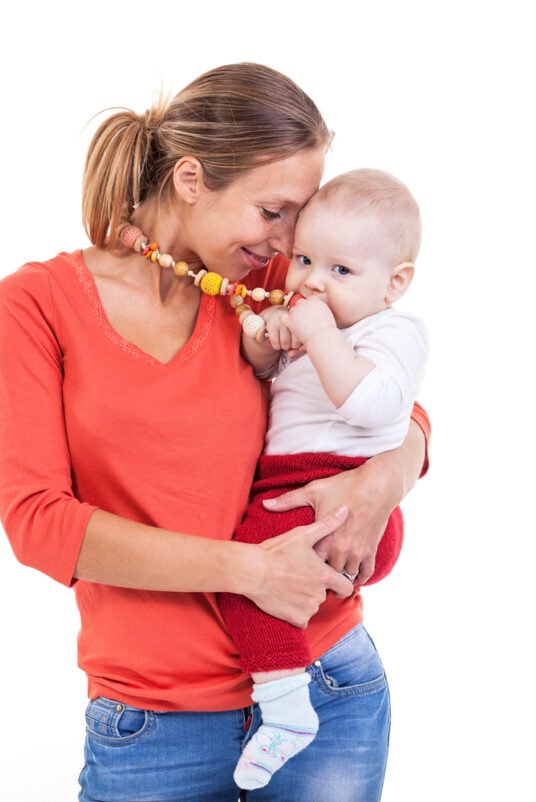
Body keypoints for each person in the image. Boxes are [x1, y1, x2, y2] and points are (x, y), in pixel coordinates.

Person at [0, 63, 430, 802]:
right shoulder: (34, 306)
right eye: (273, 211)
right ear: (191, 179)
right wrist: (247, 570)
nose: (291, 239)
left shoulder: (279, 283)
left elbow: (392, 392)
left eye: (301, 216)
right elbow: (38, 524)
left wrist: (386, 476)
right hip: (158, 720)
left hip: (329, 683)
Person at [218, 167, 429, 790]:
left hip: (336, 491)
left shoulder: (395, 331)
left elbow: (375, 408)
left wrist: (315, 333)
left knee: (244, 580)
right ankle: (284, 701)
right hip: (293, 483)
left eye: (340, 270)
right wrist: (271, 341)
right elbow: (261, 374)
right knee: (248, 579)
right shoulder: (315, 324)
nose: (312, 280)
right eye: (306, 258)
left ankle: (285, 709)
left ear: (394, 284)